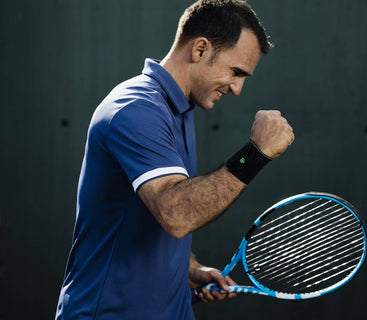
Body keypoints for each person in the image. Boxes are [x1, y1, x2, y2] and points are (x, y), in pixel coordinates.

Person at [55, 0, 294, 319]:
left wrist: (190, 267)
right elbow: (177, 213)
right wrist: (256, 154)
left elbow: (150, 214)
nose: (237, 88)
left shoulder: (176, 107)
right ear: (200, 49)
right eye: (235, 72)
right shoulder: (137, 109)